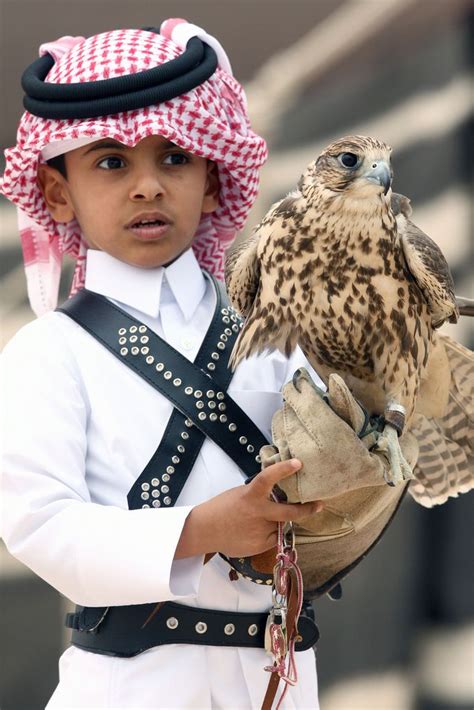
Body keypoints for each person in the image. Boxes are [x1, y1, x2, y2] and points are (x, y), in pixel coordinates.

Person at [1, 20, 324, 709]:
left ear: (213, 181)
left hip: (282, 683)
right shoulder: (49, 352)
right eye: (112, 163)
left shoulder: (275, 336)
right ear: (59, 194)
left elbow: (335, 476)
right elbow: (40, 525)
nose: (147, 186)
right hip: (133, 687)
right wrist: (203, 531)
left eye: (175, 158)